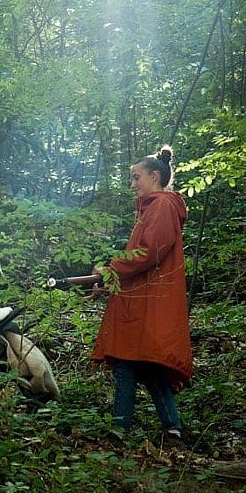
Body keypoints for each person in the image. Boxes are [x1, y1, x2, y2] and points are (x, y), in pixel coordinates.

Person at [90, 145, 193, 442]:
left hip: (148, 305)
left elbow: (149, 254)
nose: (132, 184)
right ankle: (171, 428)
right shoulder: (154, 208)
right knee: (146, 365)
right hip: (142, 301)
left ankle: (119, 431)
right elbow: (141, 260)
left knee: (127, 363)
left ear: (155, 176)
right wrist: (108, 283)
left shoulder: (161, 206)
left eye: (136, 178)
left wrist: (109, 269)